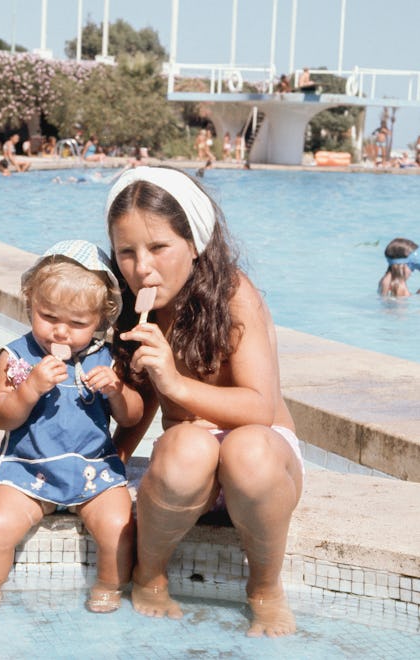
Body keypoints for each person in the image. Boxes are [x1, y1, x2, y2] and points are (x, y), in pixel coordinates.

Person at [105, 166, 305, 638]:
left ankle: (265, 587)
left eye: (158, 248)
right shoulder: (133, 306)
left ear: (194, 243)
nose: (142, 267)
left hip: (262, 467)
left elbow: (260, 406)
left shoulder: (233, 296)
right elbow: (145, 397)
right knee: (190, 446)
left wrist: (174, 383)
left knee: (246, 450)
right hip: (188, 474)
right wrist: (111, 458)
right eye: (126, 252)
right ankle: (149, 573)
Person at [0, 240, 143, 621]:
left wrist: (118, 391)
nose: (60, 333)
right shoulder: (15, 357)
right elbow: (1, 415)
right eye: (48, 317)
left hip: (93, 470)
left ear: (100, 322)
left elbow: (131, 418)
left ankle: (109, 587)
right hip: (28, 469)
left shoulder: (106, 360)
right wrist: (28, 390)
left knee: (117, 527)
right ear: (30, 305)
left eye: (77, 324)